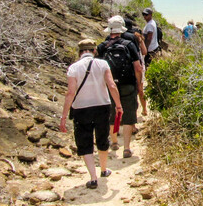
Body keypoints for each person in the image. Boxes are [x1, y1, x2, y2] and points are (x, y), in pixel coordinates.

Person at [60, 38, 123, 189]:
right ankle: (103, 169)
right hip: (102, 106)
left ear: (80, 52)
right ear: (94, 51)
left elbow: (70, 93)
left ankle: (93, 177)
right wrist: (119, 106)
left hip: (81, 108)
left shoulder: (73, 68)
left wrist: (63, 116)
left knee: (85, 142)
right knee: (102, 138)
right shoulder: (102, 64)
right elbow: (112, 85)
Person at [98, 15, 144, 159]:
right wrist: (138, 83)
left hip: (110, 85)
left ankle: (114, 142)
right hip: (128, 84)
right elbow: (138, 67)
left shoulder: (102, 46)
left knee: (112, 113)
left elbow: (97, 68)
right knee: (129, 115)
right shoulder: (128, 44)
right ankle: (127, 148)